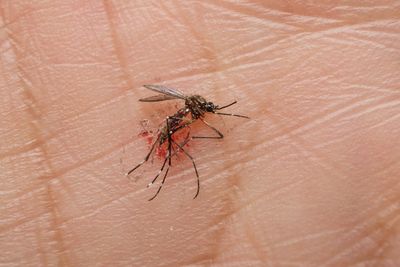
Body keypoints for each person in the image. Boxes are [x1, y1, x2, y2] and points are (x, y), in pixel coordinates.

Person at [1, 1, 399, 266]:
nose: (210, 114)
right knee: (167, 138)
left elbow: (200, 112)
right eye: (209, 111)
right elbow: (179, 111)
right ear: (200, 109)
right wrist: (185, 128)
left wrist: (213, 117)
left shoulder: (199, 109)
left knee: (175, 141)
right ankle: (149, 167)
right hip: (170, 121)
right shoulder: (188, 113)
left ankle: (153, 168)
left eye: (209, 111)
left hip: (178, 119)